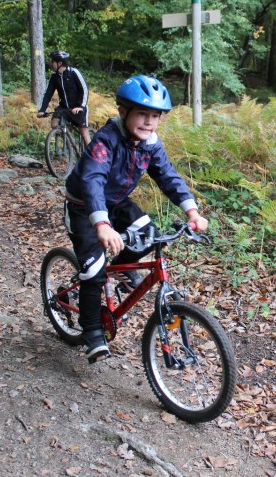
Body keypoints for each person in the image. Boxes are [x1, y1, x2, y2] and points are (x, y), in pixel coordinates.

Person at [63, 75, 208, 363]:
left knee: (150, 235)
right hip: (84, 207)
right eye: (142, 114)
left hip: (117, 203)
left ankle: (119, 268)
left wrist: (191, 211)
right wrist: (102, 224)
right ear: (123, 111)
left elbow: (167, 176)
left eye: (155, 116)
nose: (149, 122)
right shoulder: (105, 141)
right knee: (94, 272)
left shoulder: (149, 143)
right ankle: (92, 331)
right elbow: (93, 180)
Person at [37, 50, 92, 145]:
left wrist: (81, 107)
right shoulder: (54, 77)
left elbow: (84, 90)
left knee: (84, 133)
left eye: (52, 61)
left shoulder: (74, 72)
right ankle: (69, 144)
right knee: (54, 124)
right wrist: (42, 110)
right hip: (64, 107)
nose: (51, 64)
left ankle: (93, 153)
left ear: (59, 63)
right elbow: (48, 94)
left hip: (78, 107)